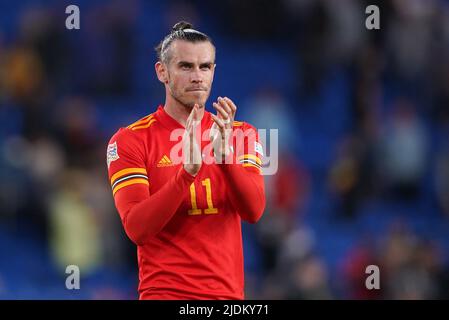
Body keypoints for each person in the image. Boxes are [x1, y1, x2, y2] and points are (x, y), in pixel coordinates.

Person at [106, 21, 265, 300]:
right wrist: (186, 174)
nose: (197, 77)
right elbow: (137, 228)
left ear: (214, 71)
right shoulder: (129, 140)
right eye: (185, 66)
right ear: (162, 72)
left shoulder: (242, 134)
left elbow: (254, 211)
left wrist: (224, 156)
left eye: (205, 67)